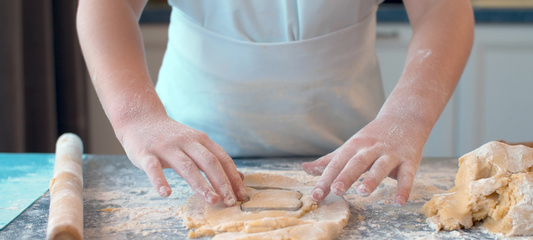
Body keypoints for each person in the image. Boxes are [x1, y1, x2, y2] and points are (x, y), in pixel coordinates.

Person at [77, 0, 474, 207]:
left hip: (349, 159)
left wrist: (408, 116)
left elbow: (443, 7)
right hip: (187, 158)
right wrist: (136, 116)